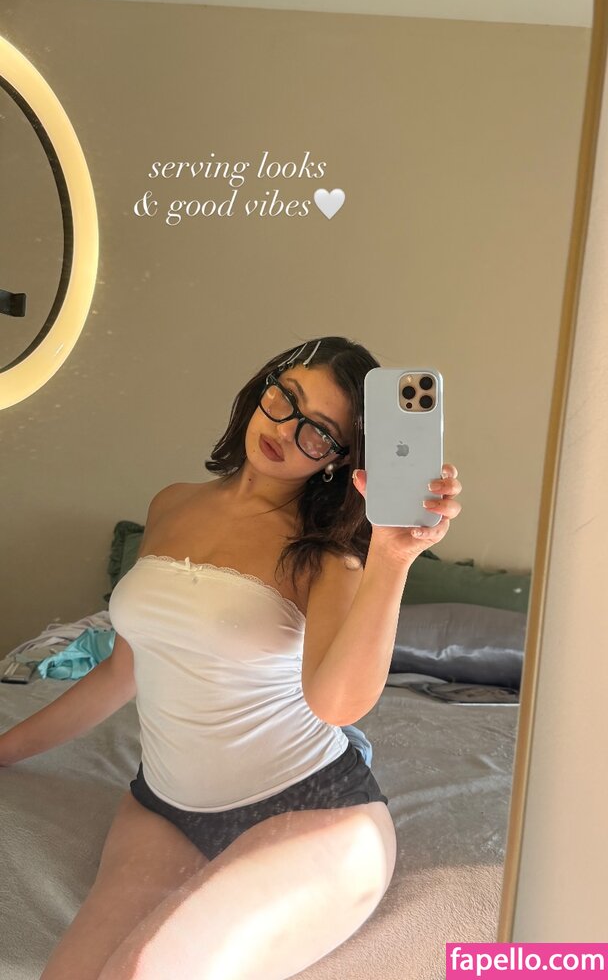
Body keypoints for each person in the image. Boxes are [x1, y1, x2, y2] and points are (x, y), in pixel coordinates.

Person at [3, 335, 462, 980]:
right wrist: (4, 749)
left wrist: (392, 557)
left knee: (139, 971)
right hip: (163, 807)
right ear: (263, 387)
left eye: (318, 431)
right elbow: (122, 671)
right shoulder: (171, 503)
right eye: (286, 399)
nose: (286, 430)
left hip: (312, 810)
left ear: (339, 458)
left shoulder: (326, 556)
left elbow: (337, 705)